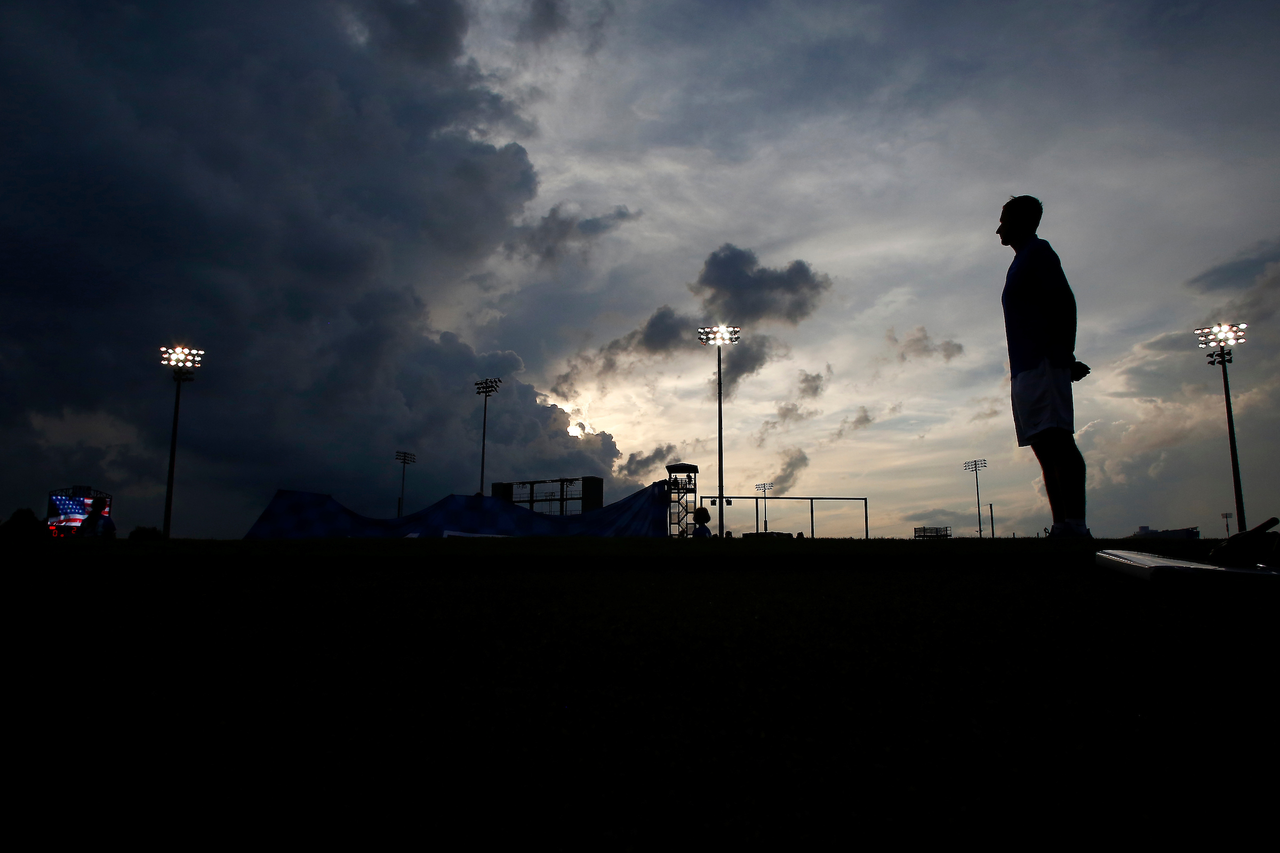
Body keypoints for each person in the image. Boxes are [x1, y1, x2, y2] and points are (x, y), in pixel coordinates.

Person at [998, 196, 1091, 538]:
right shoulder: (1021, 261)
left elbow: (1064, 303)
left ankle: (1077, 525)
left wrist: (1066, 356)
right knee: (1042, 445)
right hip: (1024, 368)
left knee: (1058, 442)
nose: (998, 229)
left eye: (1004, 221)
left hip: (1044, 363)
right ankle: (1062, 525)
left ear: (1022, 222)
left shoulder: (1040, 253)